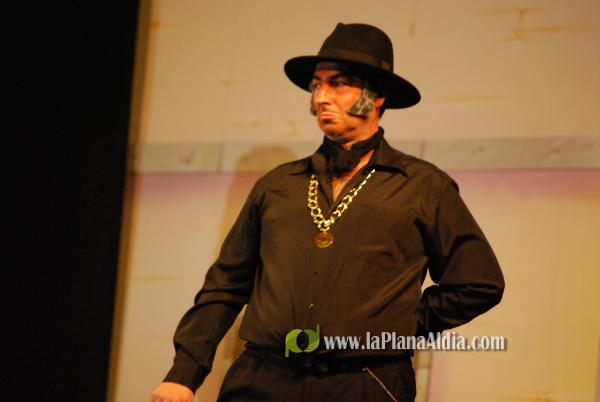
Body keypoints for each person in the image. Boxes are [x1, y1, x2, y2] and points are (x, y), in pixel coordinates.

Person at [151, 23, 504, 402]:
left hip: (364, 382)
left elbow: (478, 284)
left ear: (377, 95)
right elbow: (224, 286)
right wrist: (184, 373)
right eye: (317, 85)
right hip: (261, 379)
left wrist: (396, 325)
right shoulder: (278, 185)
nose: (321, 97)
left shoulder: (422, 186)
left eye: (339, 84)